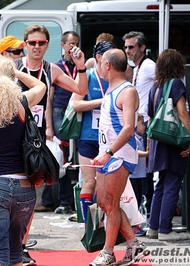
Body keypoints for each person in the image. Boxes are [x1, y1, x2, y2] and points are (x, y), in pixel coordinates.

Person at [15, 24, 88, 266]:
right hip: (10, 138)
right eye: (32, 43)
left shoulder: (51, 69)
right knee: (8, 193)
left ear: (47, 45)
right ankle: (8, 245)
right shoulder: (14, 69)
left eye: (41, 43)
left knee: (29, 196)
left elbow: (80, 89)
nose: (37, 47)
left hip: (32, 141)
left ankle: (20, 246)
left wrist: (80, 67)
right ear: (25, 44)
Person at [0, 55, 45, 266]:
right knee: (15, 255)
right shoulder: (22, 103)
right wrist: (13, 73)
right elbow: (40, 85)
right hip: (24, 187)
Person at [90, 49, 148, 266]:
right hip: (107, 153)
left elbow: (129, 128)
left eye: (100, 62)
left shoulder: (127, 90)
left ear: (108, 66)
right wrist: (103, 153)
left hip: (118, 155)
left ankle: (108, 252)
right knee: (105, 203)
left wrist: (108, 153)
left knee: (112, 204)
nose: (99, 66)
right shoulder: (112, 89)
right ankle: (134, 244)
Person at [145, 48, 190, 241]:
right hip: (173, 141)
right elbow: (182, 113)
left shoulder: (154, 87)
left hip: (158, 140)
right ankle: (166, 230)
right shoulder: (175, 84)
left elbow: (150, 119)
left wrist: (150, 145)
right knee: (173, 183)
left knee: (161, 185)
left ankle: (153, 228)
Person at [72, 41, 115, 225]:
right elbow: (76, 104)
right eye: (108, 56)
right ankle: (88, 223)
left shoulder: (115, 76)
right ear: (99, 57)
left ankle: (101, 221)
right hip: (88, 136)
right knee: (89, 181)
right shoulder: (87, 76)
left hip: (109, 138)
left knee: (104, 183)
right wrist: (101, 101)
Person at [39, 31, 81, 215]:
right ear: (62, 45)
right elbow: (49, 98)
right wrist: (48, 126)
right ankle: (64, 200)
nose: (73, 47)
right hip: (59, 111)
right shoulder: (55, 67)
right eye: (70, 44)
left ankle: (79, 200)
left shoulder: (82, 67)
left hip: (78, 111)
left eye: (76, 44)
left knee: (79, 157)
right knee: (61, 156)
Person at [123, 31, 155, 214]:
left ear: (142, 48)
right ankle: (141, 210)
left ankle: (147, 209)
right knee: (139, 169)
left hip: (147, 124)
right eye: (126, 47)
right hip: (138, 125)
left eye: (131, 47)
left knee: (146, 171)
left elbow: (166, 84)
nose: (127, 51)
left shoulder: (149, 66)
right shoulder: (136, 68)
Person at [129, 114, 148, 237]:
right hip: (132, 176)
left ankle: (135, 224)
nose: (144, 127)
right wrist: (147, 153)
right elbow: (134, 152)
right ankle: (132, 226)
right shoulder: (133, 138)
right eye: (142, 124)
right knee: (133, 201)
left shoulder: (139, 138)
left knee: (138, 199)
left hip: (139, 175)